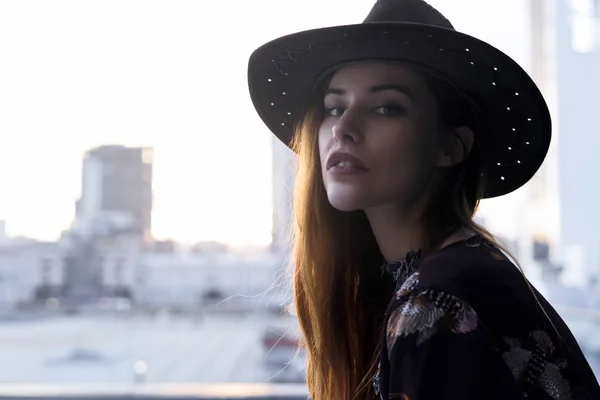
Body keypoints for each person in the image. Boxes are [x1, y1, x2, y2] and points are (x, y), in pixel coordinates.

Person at [248, 0, 600, 399]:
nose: (343, 129)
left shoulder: (436, 300)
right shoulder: (457, 271)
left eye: (385, 107)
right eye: (334, 107)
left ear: (449, 147)